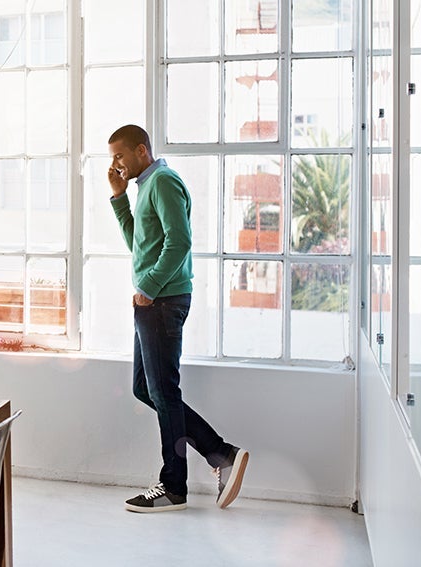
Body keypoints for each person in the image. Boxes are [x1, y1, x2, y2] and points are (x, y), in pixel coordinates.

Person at [107, 124, 249, 512]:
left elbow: (179, 241)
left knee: (164, 392)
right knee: (145, 389)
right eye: (112, 158)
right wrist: (120, 199)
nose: (115, 164)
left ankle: (174, 487)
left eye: (119, 155)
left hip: (163, 301)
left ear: (141, 150)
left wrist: (149, 288)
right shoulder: (146, 187)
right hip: (152, 301)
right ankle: (221, 453)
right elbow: (141, 244)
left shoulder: (164, 181)